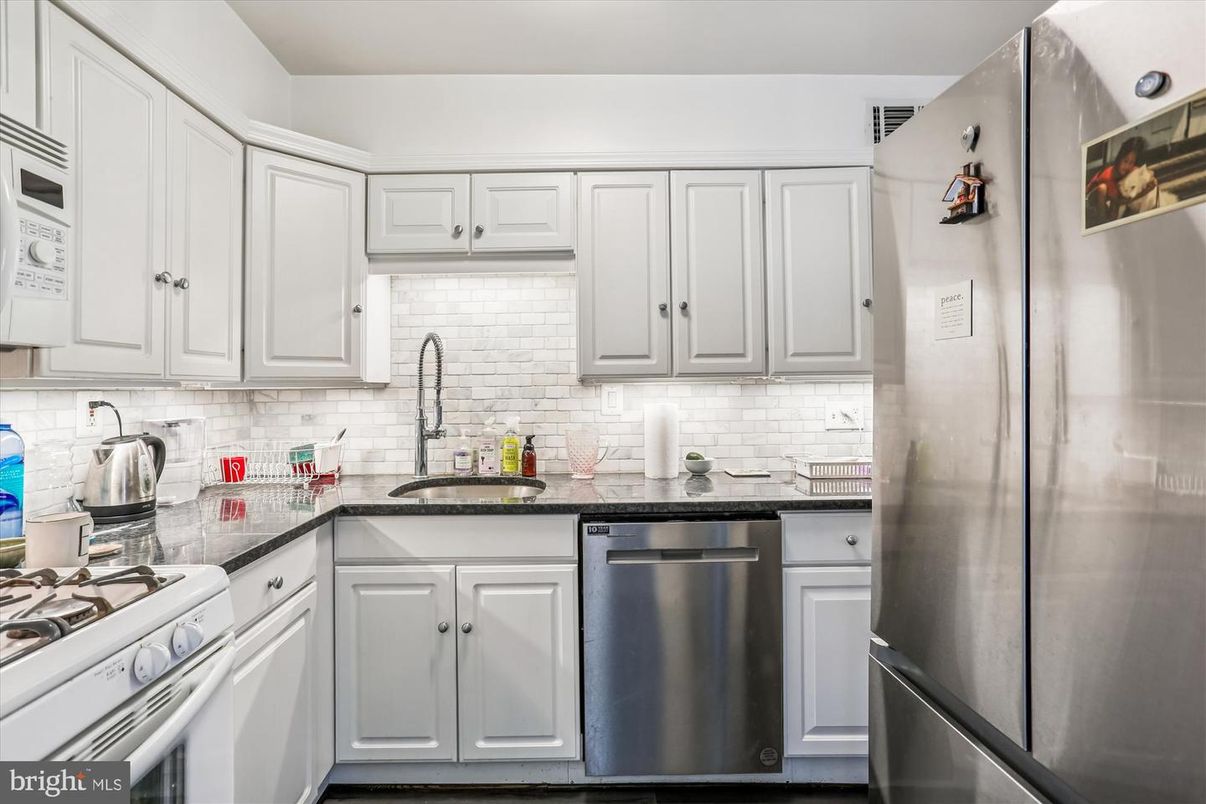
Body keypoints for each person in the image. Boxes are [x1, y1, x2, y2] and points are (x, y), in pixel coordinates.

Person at [1086, 136, 1146, 225]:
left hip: (1108, 198)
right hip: (1089, 201)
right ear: (1119, 159)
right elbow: (1118, 202)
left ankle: (1110, 222)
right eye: (1125, 161)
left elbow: (1142, 172)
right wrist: (1146, 191)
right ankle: (1101, 221)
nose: (1128, 166)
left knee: (1117, 194)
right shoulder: (1109, 176)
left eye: (1131, 162)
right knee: (1103, 189)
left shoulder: (1128, 169)